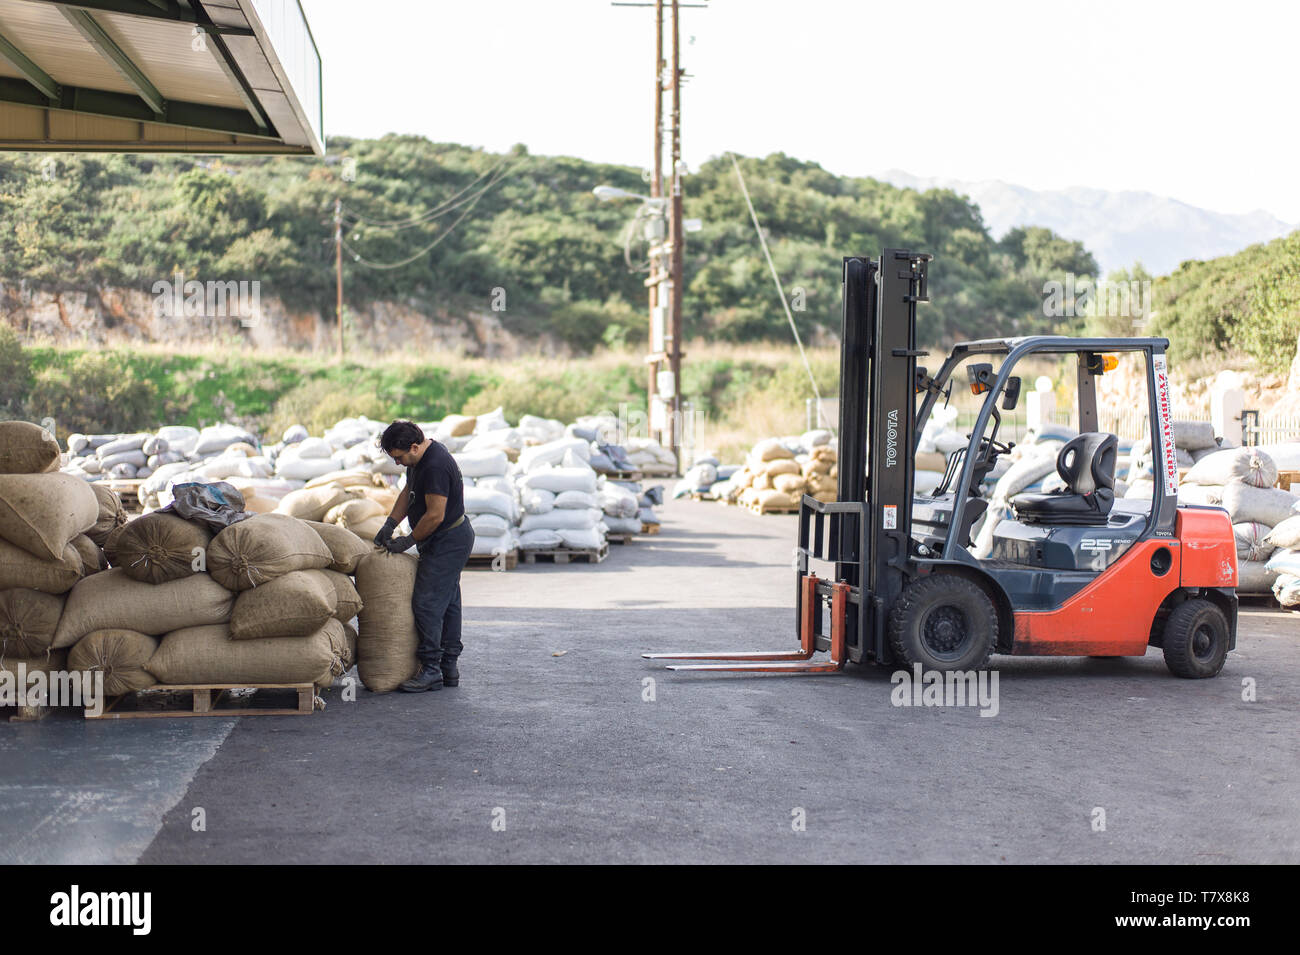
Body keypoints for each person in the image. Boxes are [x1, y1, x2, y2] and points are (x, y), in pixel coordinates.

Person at [374, 420, 476, 692]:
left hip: (448, 540)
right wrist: (390, 523)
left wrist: (408, 540)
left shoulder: (435, 465)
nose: (397, 464)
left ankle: (431, 669)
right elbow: (409, 493)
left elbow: (435, 514)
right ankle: (448, 667)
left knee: (427, 603)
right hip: (446, 538)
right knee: (449, 601)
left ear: (415, 446)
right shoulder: (419, 460)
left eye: (399, 457)